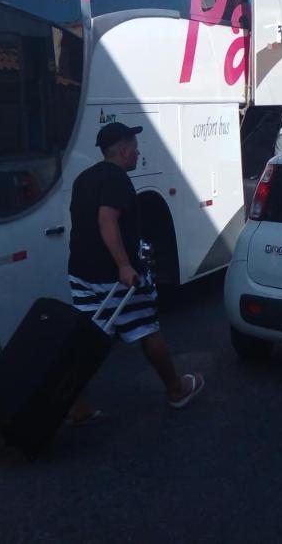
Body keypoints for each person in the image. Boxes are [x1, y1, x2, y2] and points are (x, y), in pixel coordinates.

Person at [65, 122, 205, 425]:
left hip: (81, 273)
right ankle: (176, 389)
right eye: (135, 147)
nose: (138, 153)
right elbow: (107, 221)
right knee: (146, 328)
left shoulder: (84, 178)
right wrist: (124, 265)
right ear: (124, 150)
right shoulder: (117, 180)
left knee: (91, 337)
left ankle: (77, 403)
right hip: (115, 279)